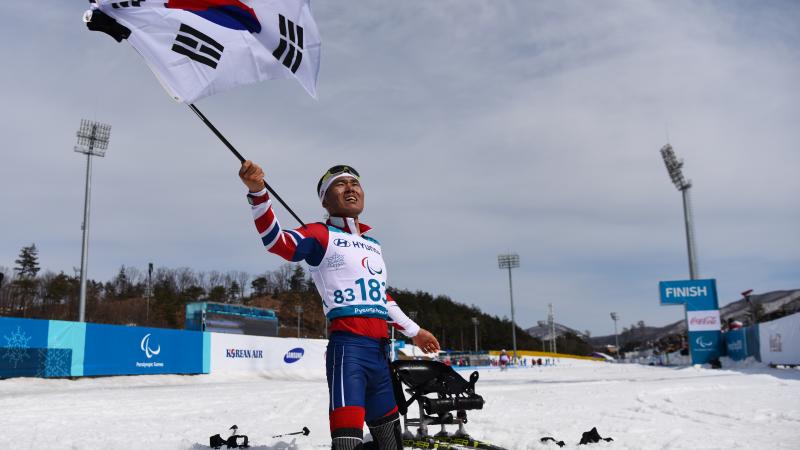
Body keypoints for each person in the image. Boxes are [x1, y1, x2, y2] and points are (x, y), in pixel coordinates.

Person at [238, 161, 440, 450]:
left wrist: (414, 331)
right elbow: (277, 241)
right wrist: (258, 193)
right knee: (347, 442)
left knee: (391, 443)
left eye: (355, 183)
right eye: (341, 184)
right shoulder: (319, 234)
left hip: (380, 353)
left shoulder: (373, 244)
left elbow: (381, 296)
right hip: (349, 351)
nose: (351, 188)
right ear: (325, 198)